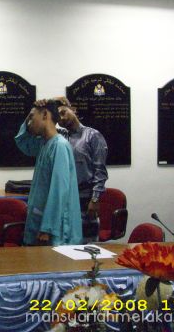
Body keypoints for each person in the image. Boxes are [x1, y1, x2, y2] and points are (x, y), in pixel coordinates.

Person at [15, 99, 82, 246]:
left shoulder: (59, 146)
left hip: (54, 230)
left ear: (45, 115)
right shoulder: (43, 143)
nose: (29, 123)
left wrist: (47, 228)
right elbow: (22, 142)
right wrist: (31, 114)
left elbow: (59, 190)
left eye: (32, 117)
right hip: (40, 222)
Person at [55, 97, 108, 242]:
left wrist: (95, 199)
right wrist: (49, 102)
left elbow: (100, 171)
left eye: (63, 112)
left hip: (85, 197)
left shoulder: (92, 135)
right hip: (66, 198)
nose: (62, 118)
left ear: (73, 109)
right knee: (66, 243)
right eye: (58, 117)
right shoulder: (60, 137)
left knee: (86, 243)